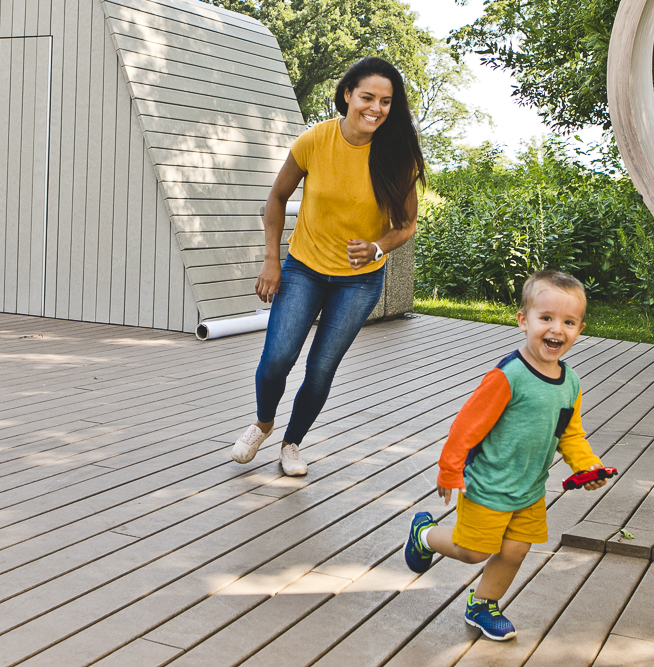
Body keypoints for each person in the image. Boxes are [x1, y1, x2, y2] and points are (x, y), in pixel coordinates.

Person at [230, 57, 425, 476]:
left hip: (359, 282)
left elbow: (406, 224)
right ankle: (263, 423)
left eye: (386, 101)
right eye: (368, 97)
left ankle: (292, 442)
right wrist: (271, 261)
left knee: (320, 368)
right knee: (278, 358)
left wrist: (378, 247)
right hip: (304, 268)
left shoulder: (398, 154)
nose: (376, 108)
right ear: (347, 95)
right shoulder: (315, 140)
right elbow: (277, 198)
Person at [403, 270, 608, 641]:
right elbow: (466, 426)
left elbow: (571, 433)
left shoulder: (571, 383)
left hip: (530, 489)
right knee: (472, 552)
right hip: (489, 484)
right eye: (545, 318)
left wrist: (586, 465)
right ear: (523, 320)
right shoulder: (508, 376)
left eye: (568, 321)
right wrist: (450, 469)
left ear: (580, 328)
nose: (556, 330)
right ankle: (425, 534)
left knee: (514, 552)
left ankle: (483, 604)